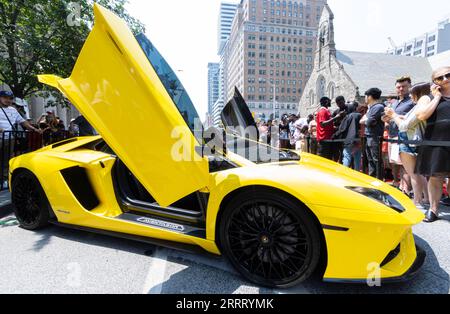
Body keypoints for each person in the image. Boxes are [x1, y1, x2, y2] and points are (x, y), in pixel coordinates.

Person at [385, 82, 430, 209]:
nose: (410, 96)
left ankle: (417, 201)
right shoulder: (423, 105)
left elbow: (404, 126)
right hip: (417, 140)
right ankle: (425, 198)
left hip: (408, 140)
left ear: (418, 94)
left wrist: (393, 115)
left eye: (412, 94)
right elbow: (408, 119)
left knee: (413, 173)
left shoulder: (419, 106)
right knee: (419, 173)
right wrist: (395, 116)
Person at [415, 66, 450, 222]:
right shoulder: (427, 98)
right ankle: (433, 210)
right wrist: (436, 97)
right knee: (436, 177)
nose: (445, 79)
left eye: (448, 75)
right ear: (434, 82)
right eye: (440, 78)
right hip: (437, 142)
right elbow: (422, 115)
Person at [0, 91, 42, 186]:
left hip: (9, 138)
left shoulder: (13, 110)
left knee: (6, 160)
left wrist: (34, 129)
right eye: (5, 97)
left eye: (10, 98)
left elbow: (23, 122)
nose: (8, 100)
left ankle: (4, 180)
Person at [385, 77, 415, 193]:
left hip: (405, 136)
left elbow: (413, 118)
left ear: (409, 87)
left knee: (405, 165)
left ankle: (406, 190)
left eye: (404, 86)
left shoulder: (412, 101)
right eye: (398, 87)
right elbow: (390, 118)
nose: (401, 89)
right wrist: (386, 119)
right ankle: (398, 184)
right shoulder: (395, 103)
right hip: (392, 135)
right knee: (395, 162)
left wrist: (395, 116)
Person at [360, 88, 385, 180]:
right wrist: (366, 120)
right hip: (368, 136)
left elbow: (369, 122)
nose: (365, 98)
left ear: (370, 97)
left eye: (366, 96)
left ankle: (379, 180)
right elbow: (361, 121)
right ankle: (372, 179)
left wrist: (366, 120)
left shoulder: (378, 107)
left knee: (376, 160)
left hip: (375, 137)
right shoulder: (371, 108)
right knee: (370, 160)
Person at [333, 102, 362, 171]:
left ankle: (344, 173)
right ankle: (357, 174)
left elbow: (342, 128)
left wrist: (334, 135)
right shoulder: (360, 115)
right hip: (358, 140)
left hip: (349, 140)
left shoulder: (348, 116)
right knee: (357, 157)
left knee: (347, 157)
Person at [331, 96, 348, 162]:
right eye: (338, 103)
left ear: (344, 101)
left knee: (345, 152)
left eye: (341, 102)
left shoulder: (349, 108)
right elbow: (332, 122)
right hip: (338, 134)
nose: (340, 104)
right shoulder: (336, 112)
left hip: (346, 133)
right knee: (337, 151)